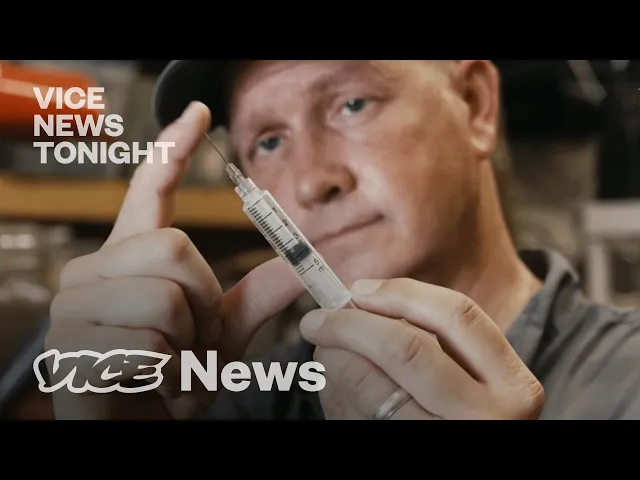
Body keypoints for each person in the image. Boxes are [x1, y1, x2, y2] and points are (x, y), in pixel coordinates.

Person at [45, 60, 640, 420]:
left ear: (475, 104)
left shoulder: (625, 382)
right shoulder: (236, 400)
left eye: (352, 104)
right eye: (268, 141)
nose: (312, 182)